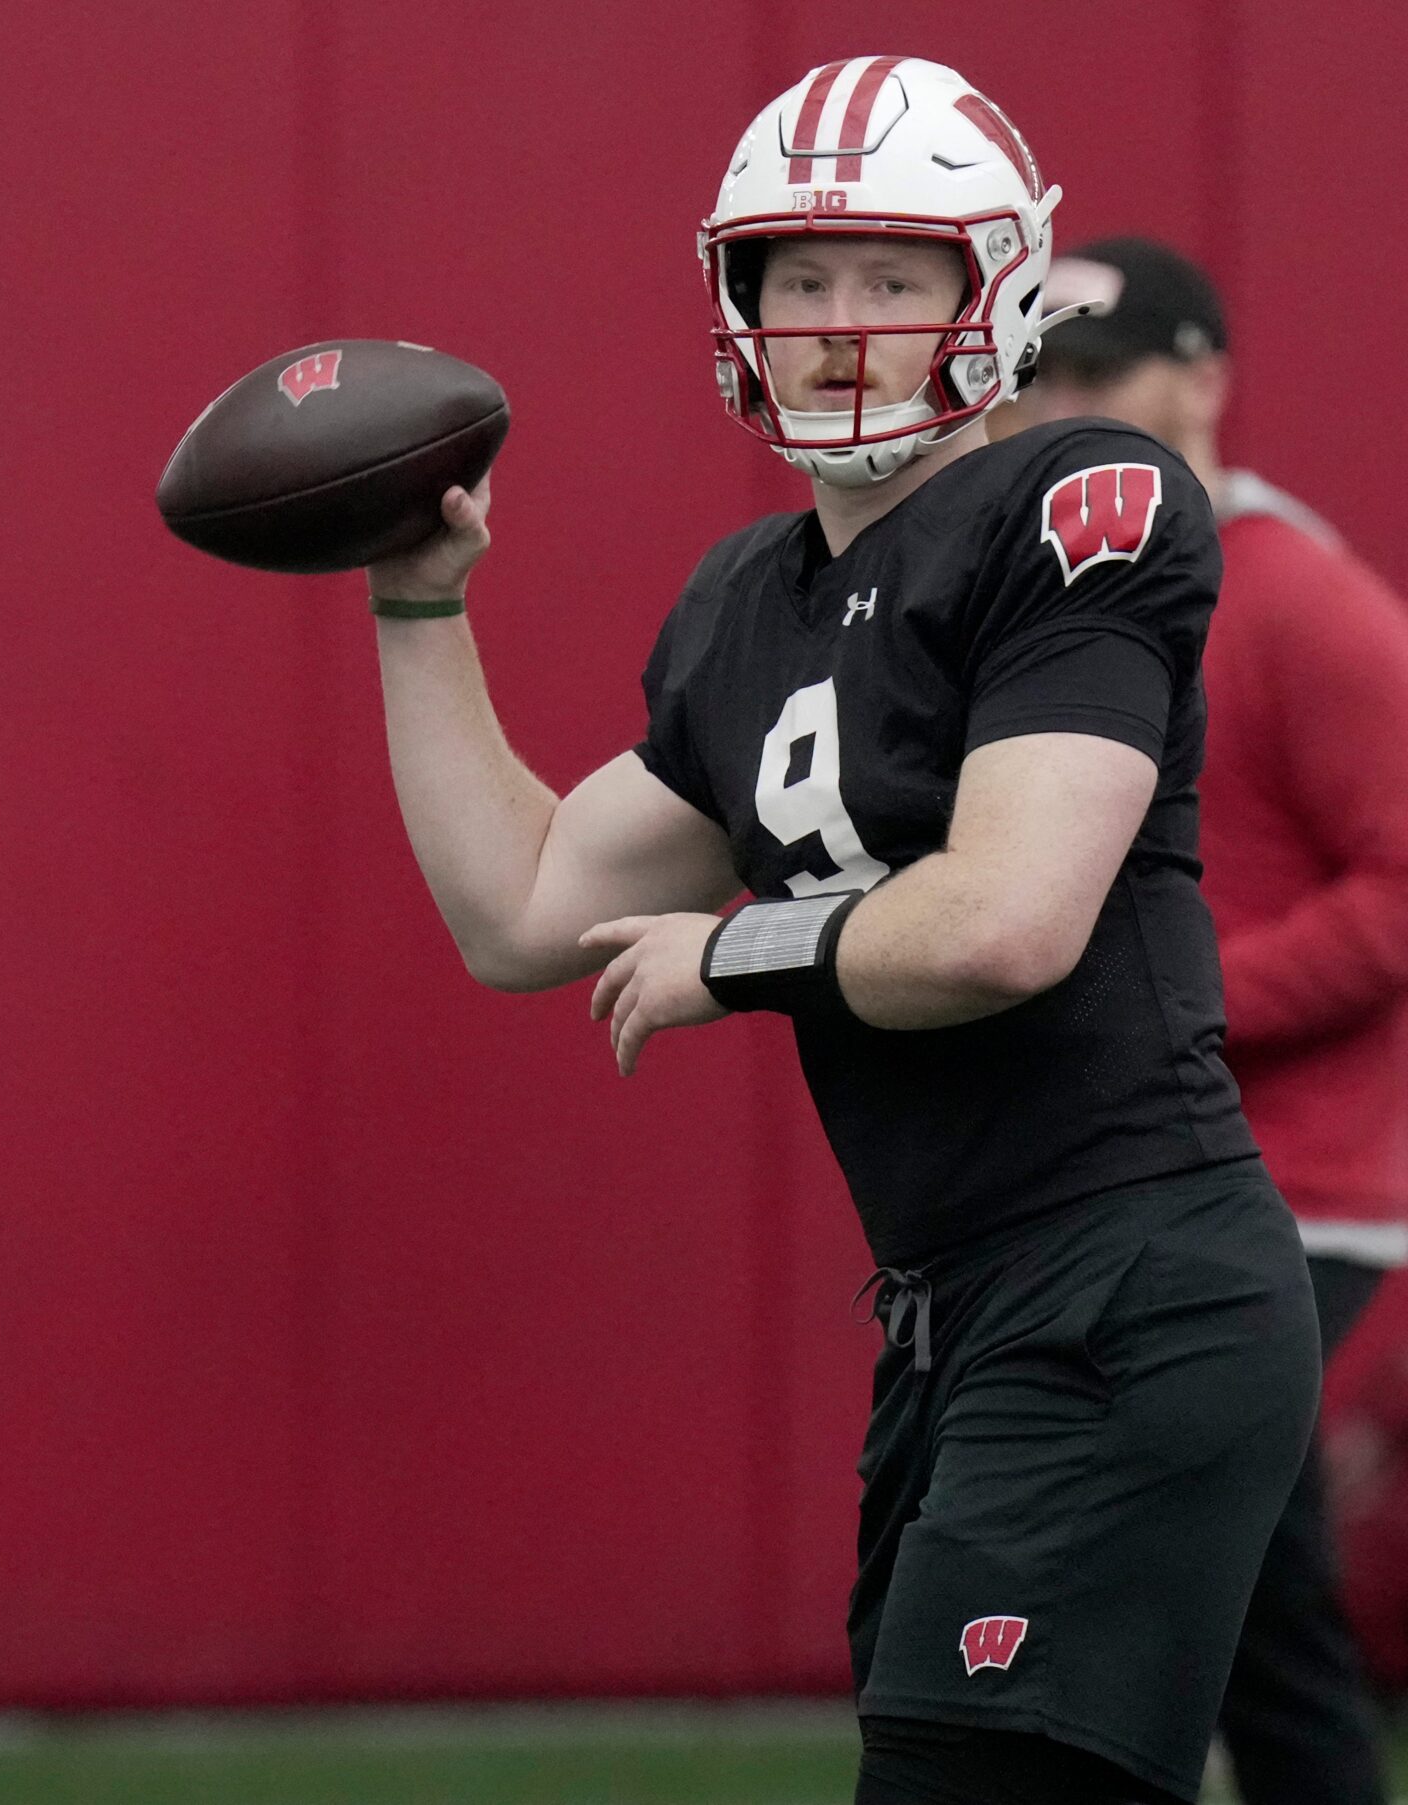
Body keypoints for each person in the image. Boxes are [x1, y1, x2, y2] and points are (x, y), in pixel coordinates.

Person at [348, 59, 1318, 1805]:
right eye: (802, 276)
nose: (841, 322)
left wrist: (729, 953)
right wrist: (421, 606)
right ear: (742, 304)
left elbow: (1010, 919)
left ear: (998, 285)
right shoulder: (745, 595)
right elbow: (526, 909)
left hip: (1131, 1281)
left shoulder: (1078, 502)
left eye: (896, 274)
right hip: (959, 1313)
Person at [1005, 236, 1408, 1805]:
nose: (1072, 411)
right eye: (1045, 380)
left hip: (1296, 1181)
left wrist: (1186, 1009)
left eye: (1104, 378)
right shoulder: (1068, 586)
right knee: (1232, 1594)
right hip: (1158, 1166)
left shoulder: (1299, 599)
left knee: (1220, 1578)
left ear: (1205, 378)